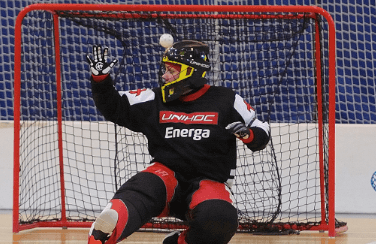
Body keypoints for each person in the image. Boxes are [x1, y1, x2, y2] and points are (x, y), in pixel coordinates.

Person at [84, 40, 271, 244]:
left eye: (171, 70)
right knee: (138, 191)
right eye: (165, 69)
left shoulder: (227, 100)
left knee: (220, 219)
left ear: (191, 72)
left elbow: (262, 130)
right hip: (165, 176)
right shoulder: (153, 98)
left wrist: (249, 135)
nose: (164, 76)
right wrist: (100, 80)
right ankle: (103, 235)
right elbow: (115, 106)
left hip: (209, 181)